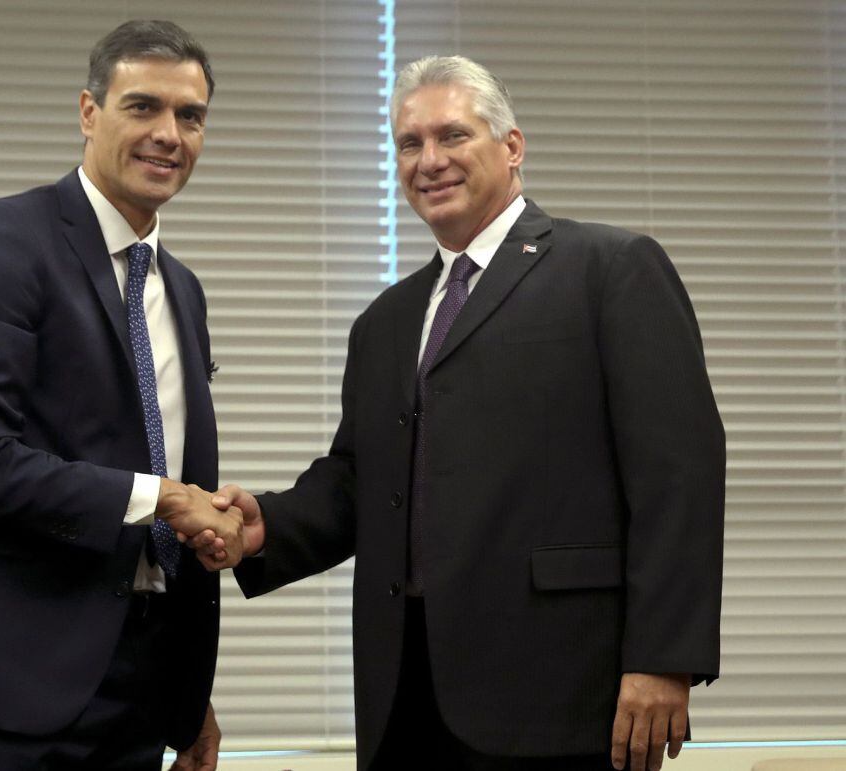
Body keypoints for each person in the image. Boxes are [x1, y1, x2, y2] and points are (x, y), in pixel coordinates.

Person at [203, 56, 726, 771]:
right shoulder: (385, 320)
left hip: (562, 694)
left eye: (453, 134)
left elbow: (680, 471)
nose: (430, 160)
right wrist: (269, 524)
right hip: (404, 695)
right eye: (410, 143)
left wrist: (664, 658)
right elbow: (363, 480)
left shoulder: (611, 268)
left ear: (512, 148)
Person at [0, 20, 244, 771]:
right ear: (88, 111)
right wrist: (165, 497)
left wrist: (188, 692)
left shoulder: (183, 291)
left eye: (189, 116)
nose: (169, 134)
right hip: (4, 687)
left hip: (140, 689)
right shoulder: (3, 240)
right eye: (143, 107)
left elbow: (148, 490)